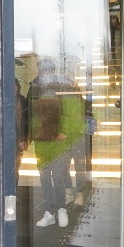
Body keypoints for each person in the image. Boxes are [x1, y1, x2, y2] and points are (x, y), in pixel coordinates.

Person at [29, 59, 84, 229]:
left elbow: (75, 112)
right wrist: (31, 134)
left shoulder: (65, 85)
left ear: (54, 70)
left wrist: (66, 131)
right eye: (44, 70)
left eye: (49, 69)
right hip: (43, 143)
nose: (47, 73)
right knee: (44, 178)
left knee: (58, 177)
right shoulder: (35, 87)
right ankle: (49, 212)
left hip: (60, 142)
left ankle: (61, 209)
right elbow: (29, 114)